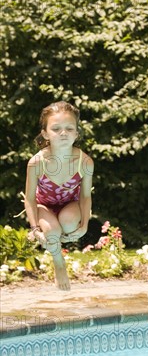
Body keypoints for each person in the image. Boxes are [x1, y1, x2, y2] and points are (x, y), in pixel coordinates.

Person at [24, 101, 94, 291]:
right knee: (51, 232)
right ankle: (58, 262)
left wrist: (85, 224)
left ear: (76, 133)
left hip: (70, 204)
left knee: (69, 222)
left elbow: (85, 197)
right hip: (44, 205)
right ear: (45, 133)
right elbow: (29, 198)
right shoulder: (37, 162)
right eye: (56, 128)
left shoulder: (85, 162)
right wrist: (35, 228)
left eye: (69, 128)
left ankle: (60, 235)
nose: (63, 133)